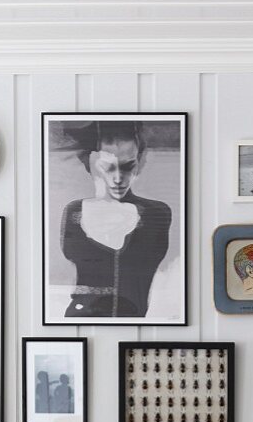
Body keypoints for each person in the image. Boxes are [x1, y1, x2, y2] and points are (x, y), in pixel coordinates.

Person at [59, 121, 172, 318]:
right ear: (90, 164)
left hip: (135, 325)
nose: (119, 178)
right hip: (79, 322)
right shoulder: (73, 213)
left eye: (128, 167)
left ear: (140, 161)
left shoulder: (158, 214)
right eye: (107, 168)